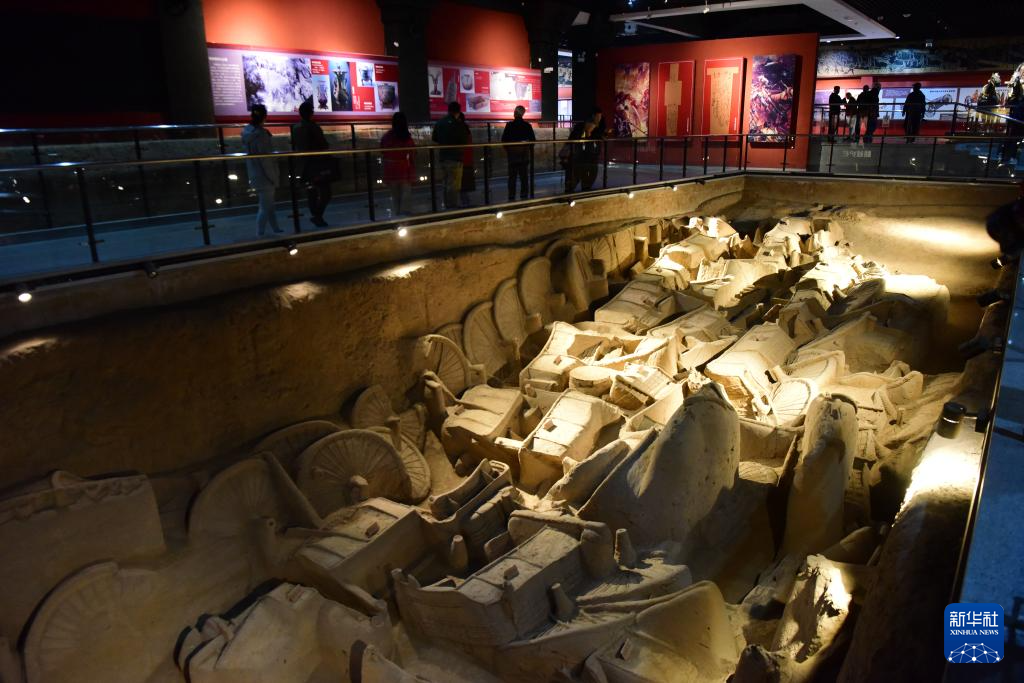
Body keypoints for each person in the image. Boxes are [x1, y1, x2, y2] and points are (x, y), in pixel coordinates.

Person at [291, 99, 333, 228]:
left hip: (303, 164)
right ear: (311, 113)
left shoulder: (295, 128)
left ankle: (317, 217)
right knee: (326, 192)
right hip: (316, 164)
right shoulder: (313, 127)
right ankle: (317, 216)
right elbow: (323, 144)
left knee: (311, 192)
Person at [242, 104, 282, 236]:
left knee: (269, 205)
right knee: (265, 207)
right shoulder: (262, 135)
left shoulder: (247, 132)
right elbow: (266, 160)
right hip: (265, 176)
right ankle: (260, 233)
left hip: (254, 173)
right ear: (265, 117)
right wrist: (273, 177)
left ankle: (276, 228)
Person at [380, 111, 416, 216]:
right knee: (405, 193)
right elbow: (412, 152)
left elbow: (382, 151)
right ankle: (404, 214)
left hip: (390, 168)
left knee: (395, 195)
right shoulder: (406, 137)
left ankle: (397, 214)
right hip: (404, 167)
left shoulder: (387, 136)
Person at [432, 101, 464, 209]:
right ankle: (453, 206)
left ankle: (446, 204)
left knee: (445, 182)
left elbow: (434, 138)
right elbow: (462, 140)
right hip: (455, 157)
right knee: (453, 183)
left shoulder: (440, 122)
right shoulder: (458, 124)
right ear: (458, 112)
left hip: (443, 156)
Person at [501, 105, 535, 201]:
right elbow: (533, 141)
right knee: (524, 177)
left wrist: (509, 150)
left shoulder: (509, 125)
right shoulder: (527, 126)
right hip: (524, 156)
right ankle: (524, 196)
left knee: (512, 178)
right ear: (523, 113)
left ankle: (511, 196)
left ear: (515, 113)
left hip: (512, 156)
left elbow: (504, 140)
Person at [562, 121, 598, 192]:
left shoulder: (586, 134)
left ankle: (572, 190)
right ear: (587, 125)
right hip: (577, 161)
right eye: (592, 127)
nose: (593, 128)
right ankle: (571, 191)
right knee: (574, 179)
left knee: (578, 180)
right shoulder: (579, 133)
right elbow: (583, 148)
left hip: (581, 161)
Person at [457, 111, 476, 207]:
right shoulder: (467, 129)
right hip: (468, 160)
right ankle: (466, 202)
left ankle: (464, 202)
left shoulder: (458, 130)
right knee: (465, 183)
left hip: (460, 160)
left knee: (460, 183)